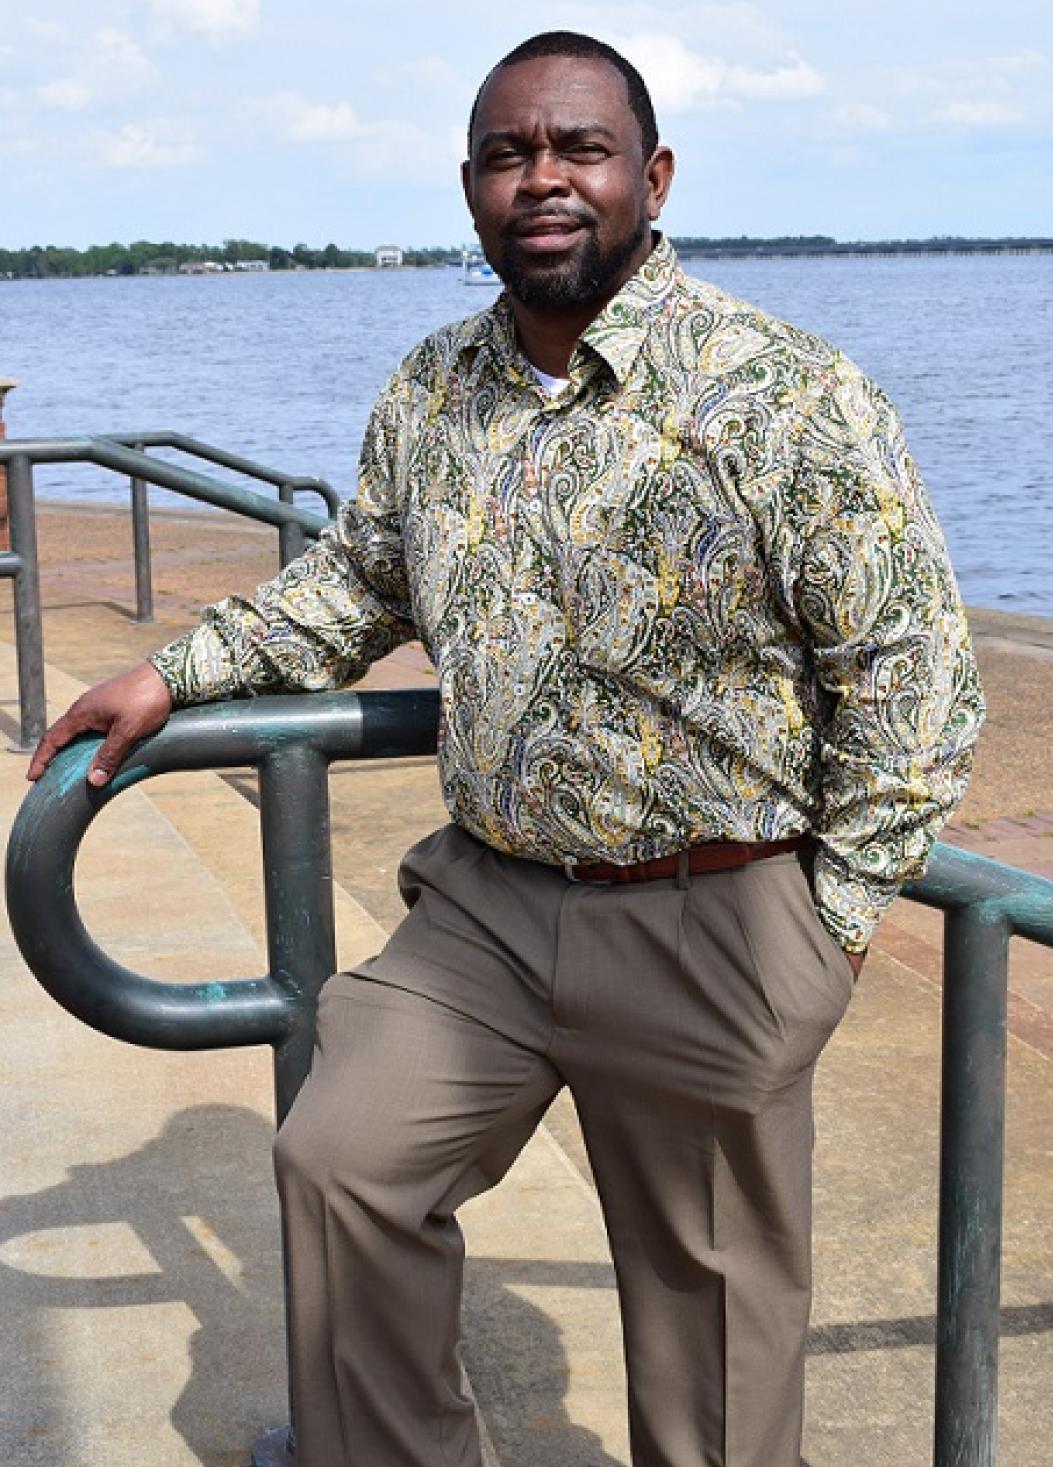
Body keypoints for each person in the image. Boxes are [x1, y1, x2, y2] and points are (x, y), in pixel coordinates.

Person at [30, 30, 984, 1467]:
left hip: (713, 916)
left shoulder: (783, 393)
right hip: (486, 906)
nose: (542, 179)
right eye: (507, 152)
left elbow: (917, 680)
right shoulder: (435, 389)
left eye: (579, 150)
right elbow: (357, 586)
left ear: (650, 178)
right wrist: (175, 672)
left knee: (713, 1341)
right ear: (471, 185)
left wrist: (824, 933)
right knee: (340, 1164)